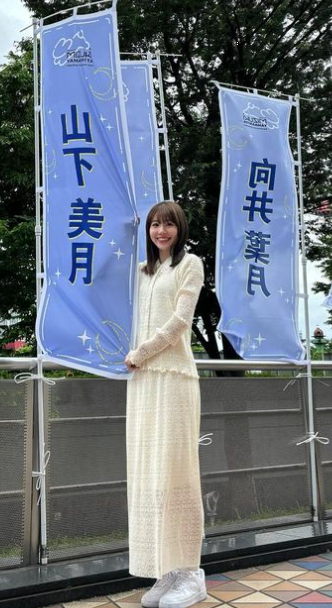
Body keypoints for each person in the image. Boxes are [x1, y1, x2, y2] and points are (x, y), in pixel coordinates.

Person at [124, 201, 207, 608]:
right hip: (142, 382)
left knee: (177, 470)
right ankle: (167, 569)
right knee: (149, 473)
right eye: (155, 224)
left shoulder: (190, 265)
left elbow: (179, 322)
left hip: (174, 379)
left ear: (180, 229)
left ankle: (191, 572)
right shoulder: (140, 272)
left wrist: (141, 353)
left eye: (168, 224)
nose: (161, 231)